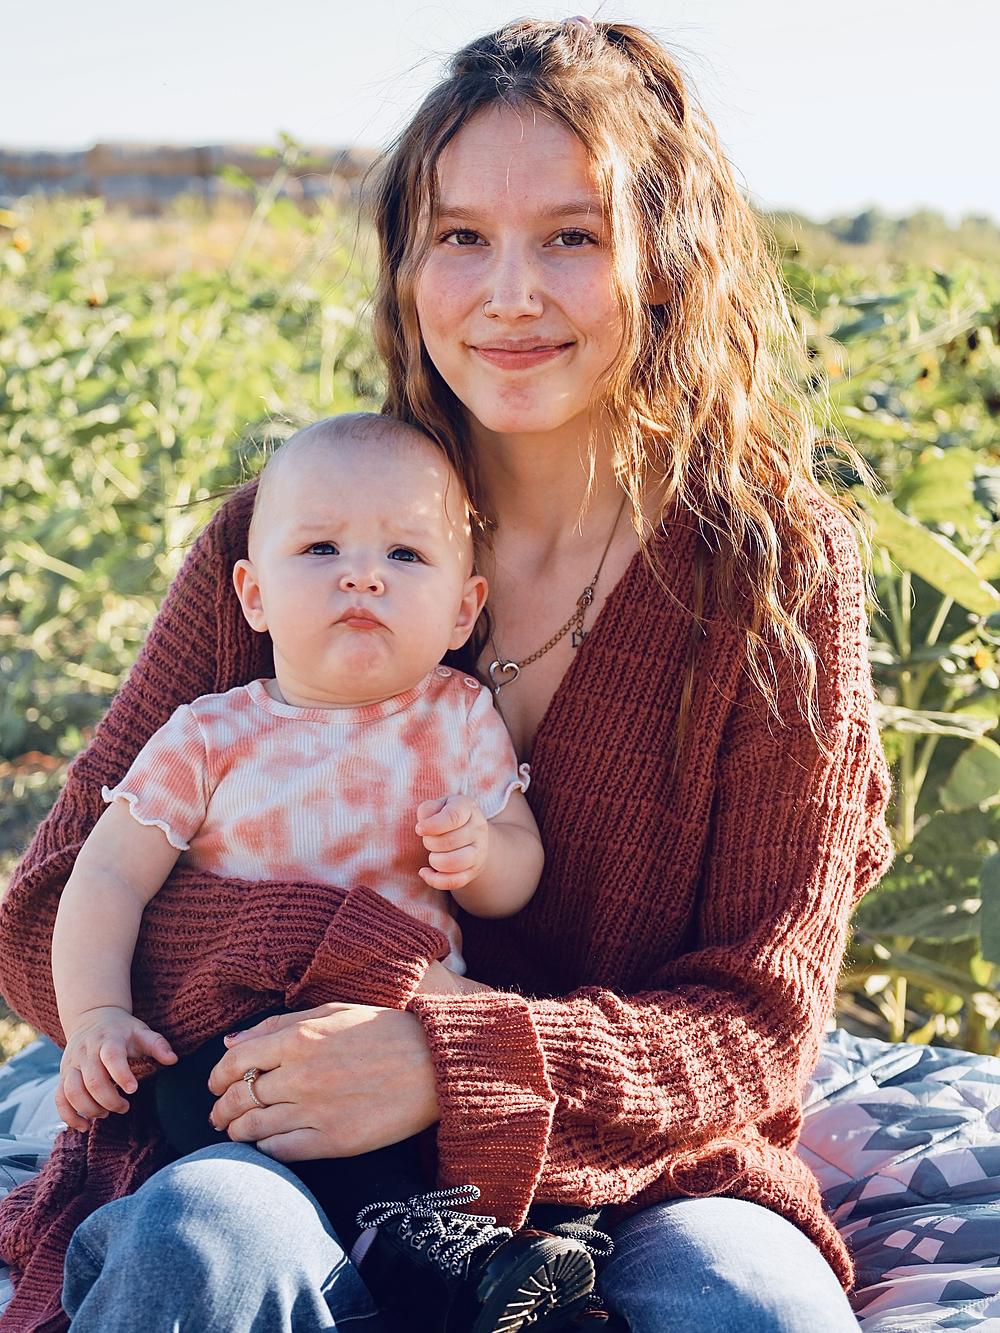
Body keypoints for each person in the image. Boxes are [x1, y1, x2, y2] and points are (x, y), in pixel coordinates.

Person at [0, 17, 894, 1333]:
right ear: (407, 266)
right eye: (461, 235)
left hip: (638, 1169)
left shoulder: (773, 573)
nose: (509, 292)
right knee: (204, 1243)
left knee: (746, 1303)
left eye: (572, 237)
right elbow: (47, 916)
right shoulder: (302, 532)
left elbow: (760, 1019)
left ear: (667, 263)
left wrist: (449, 1056)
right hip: (266, 1146)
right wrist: (326, 975)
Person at [47, 413, 604, 1332]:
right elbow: (106, 878)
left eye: (405, 555)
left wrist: (481, 854)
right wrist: (97, 1014)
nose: (363, 575)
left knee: (451, 1120)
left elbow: (518, 870)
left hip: (396, 1024)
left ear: (463, 610)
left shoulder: (456, 716)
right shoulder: (210, 734)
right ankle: (441, 1258)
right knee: (219, 1090)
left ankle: (469, 1245)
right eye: (320, 548)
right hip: (230, 1032)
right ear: (254, 593)